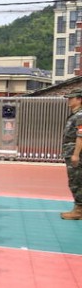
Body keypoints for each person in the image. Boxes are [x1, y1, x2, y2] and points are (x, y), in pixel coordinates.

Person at [60, 88, 82, 220]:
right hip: (71, 151)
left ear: (79, 99)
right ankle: (78, 208)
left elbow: (80, 136)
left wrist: (76, 154)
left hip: (75, 152)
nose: (69, 100)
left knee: (76, 181)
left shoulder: (80, 116)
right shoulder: (75, 114)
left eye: (71, 98)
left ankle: (79, 210)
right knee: (76, 180)